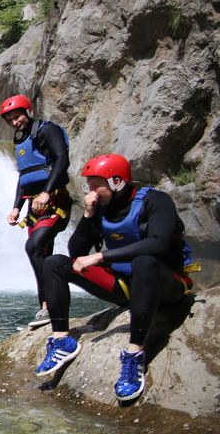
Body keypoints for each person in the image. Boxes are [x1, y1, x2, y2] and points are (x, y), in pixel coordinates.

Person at [34, 154, 195, 401]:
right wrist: (88, 215)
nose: (91, 191)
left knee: (144, 262)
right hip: (126, 287)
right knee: (55, 263)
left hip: (166, 285)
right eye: (88, 184)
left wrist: (101, 257)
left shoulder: (156, 201)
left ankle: (134, 354)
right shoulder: (100, 209)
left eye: (96, 184)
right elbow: (76, 254)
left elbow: (159, 244)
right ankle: (61, 340)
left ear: (118, 182)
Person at [0, 94, 72, 329]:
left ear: (28, 111)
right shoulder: (20, 140)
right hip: (34, 206)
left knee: (34, 247)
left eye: (17, 116)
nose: (14, 122)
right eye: (9, 119)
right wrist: (16, 208)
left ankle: (53, 304)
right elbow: (25, 177)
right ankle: (45, 307)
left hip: (54, 201)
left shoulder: (47, 130)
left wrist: (47, 192)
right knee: (39, 252)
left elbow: (62, 160)